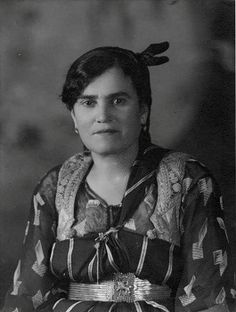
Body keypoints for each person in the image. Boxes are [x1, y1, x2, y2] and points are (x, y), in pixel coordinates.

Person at [3, 43, 232, 312]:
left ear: (143, 111)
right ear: (74, 116)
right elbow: (28, 293)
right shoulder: (55, 186)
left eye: (118, 101)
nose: (103, 116)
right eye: (88, 102)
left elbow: (208, 294)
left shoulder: (187, 180)